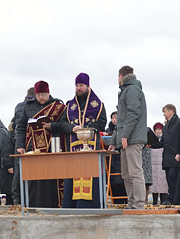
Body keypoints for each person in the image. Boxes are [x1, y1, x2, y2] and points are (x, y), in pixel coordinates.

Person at [55, 72, 107, 208]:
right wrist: (72, 128)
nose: (79, 88)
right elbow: (62, 124)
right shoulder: (70, 106)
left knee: (90, 175)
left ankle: (90, 205)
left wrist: (87, 128)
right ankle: (72, 205)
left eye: (81, 85)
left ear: (88, 86)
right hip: (74, 148)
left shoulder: (98, 104)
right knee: (73, 175)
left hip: (91, 148)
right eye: (77, 85)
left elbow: (102, 122)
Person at [15, 80, 64, 208]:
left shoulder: (57, 106)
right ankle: (32, 205)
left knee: (50, 178)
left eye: (43, 94)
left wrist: (52, 126)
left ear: (48, 93)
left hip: (51, 146)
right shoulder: (28, 106)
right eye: (38, 95)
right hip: (33, 148)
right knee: (34, 179)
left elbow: (64, 124)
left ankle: (53, 205)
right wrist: (20, 146)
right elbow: (20, 127)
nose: (41, 97)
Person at [108, 65, 147, 209]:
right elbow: (121, 120)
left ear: (121, 76)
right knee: (126, 174)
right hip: (125, 139)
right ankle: (131, 203)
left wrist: (125, 136)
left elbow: (132, 114)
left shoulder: (132, 90)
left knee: (135, 172)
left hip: (133, 139)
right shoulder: (125, 91)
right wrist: (114, 141)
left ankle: (139, 204)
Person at [9, 88, 34, 205]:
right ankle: (29, 197)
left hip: (18, 141)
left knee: (19, 171)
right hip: (30, 140)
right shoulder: (30, 106)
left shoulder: (18, 106)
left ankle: (17, 198)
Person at [155, 104, 180, 205]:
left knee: (173, 178)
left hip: (175, 156)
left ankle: (173, 199)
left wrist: (179, 152)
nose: (164, 114)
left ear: (171, 111)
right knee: (169, 180)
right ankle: (171, 199)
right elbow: (162, 142)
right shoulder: (165, 127)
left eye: (165, 112)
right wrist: (151, 144)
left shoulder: (178, 123)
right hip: (167, 157)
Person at [149, 122, 168, 204]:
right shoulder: (151, 140)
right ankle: (154, 201)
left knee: (163, 183)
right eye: (157, 130)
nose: (158, 131)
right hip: (153, 164)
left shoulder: (164, 138)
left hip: (161, 163)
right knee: (154, 183)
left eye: (160, 129)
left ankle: (163, 200)